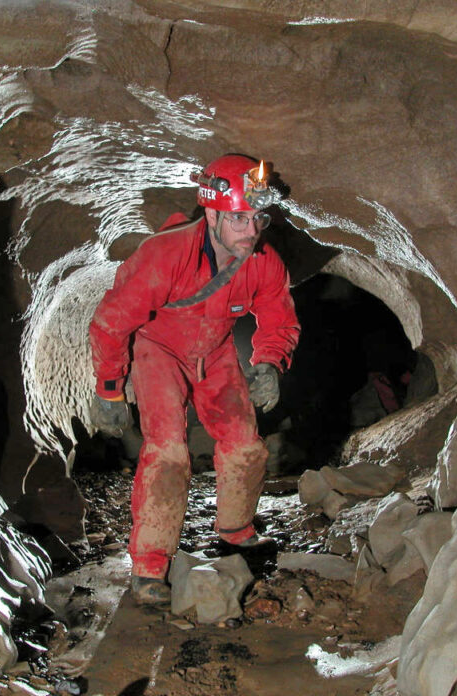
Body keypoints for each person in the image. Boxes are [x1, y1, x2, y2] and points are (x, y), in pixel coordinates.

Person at [88, 153, 301, 605]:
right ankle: (150, 564)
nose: (251, 230)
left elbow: (279, 318)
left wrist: (268, 361)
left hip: (215, 349)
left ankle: (235, 531)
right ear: (212, 212)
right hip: (157, 349)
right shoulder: (164, 256)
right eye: (240, 219)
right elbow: (110, 323)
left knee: (245, 445)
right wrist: (109, 387)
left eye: (258, 218)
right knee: (167, 452)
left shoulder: (263, 262)